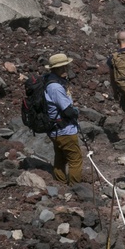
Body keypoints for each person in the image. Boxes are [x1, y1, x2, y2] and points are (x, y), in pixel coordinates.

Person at [45, 53, 83, 186]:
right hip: (65, 130)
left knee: (60, 159)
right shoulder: (55, 87)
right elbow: (67, 111)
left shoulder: (50, 81)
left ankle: (60, 186)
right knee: (75, 160)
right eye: (64, 67)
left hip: (56, 129)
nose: (66, 70)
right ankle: (75, 188)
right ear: (58, 69)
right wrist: (75, 112)